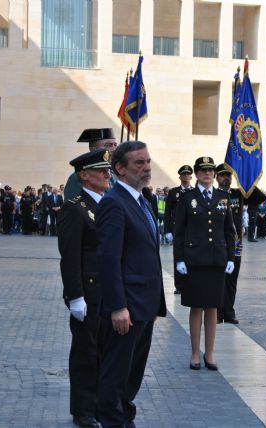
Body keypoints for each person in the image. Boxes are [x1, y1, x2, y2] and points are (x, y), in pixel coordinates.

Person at [96, 141, 167, 427]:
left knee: (133, 374)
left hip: (145, 305)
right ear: (120, 169)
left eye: (148, 161)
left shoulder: (144, 201)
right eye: (139, 163)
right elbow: (108, 259)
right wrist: (117, 307)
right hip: (126, 308)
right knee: (115, 375)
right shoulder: (114, 202)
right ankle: (113, 421)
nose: (147, 167)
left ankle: (125, 417)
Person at [58, 150, 112, 428]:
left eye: (108, 169)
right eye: (100, 170)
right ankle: (83, 409)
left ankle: (100, 403)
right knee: (86, 352)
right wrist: (75, 296)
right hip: (88, 293)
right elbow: (70, 256)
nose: (107, 174)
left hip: (110, 291)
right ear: (83, 175)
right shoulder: (74, 208)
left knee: (105, 349)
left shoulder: (109, 204)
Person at [173, 156, 236, 371]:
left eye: (211, 171)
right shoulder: (187, 197)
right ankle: (194, 353)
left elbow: (230, 232)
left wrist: (230, 258)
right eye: (203, 171)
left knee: (213, 307)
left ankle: (209, 353)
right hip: (195, 260)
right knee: (196, 306)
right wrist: (179, 259)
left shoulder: (223, 197)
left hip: (216, 260)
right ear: (197, 174)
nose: (208, 174)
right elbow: (179, 232)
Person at [215, 163, 244, 324]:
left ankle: (229, 312)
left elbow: (258, 197)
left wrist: (243, 179)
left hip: (236, 244)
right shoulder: (214, 195)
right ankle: (218, 312)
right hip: (220, 244)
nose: (226, 178)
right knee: (220, 280)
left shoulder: (238, 194)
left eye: (229, 175)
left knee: (232, 280)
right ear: (217, 178)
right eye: (223, 175)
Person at [163, 165, 194, 294]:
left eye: (188, 174)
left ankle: (191, 283)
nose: (186, 176)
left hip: (192, 230)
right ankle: (179, 286)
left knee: (192, 256)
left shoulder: (195, 192)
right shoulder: (173, 192)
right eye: (183, 174)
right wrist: (168, 230)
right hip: (177, 230)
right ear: (180, 177)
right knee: (178, 257)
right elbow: (167, 212)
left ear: (191, 177)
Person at [64, 128, 118, 200]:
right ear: (93, 149)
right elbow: (72, 208)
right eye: (108, 145)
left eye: (115, 145)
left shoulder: (114, 174)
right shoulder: (76, 177)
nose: (114, 149)